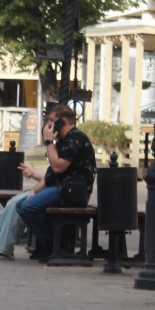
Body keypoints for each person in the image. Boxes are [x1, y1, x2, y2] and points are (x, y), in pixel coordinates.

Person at [14, 104, 96, 262]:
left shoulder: (75, 138)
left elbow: (58, 167)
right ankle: (48, 244)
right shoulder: (62, 141)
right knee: (22, 205)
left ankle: (56, 245)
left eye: (51, 121)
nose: (47, 125)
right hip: (60, 188)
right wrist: (34, 191)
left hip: (72, 192)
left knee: (29, 207)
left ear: (63, 121)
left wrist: (48, 142)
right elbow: (51, 175)